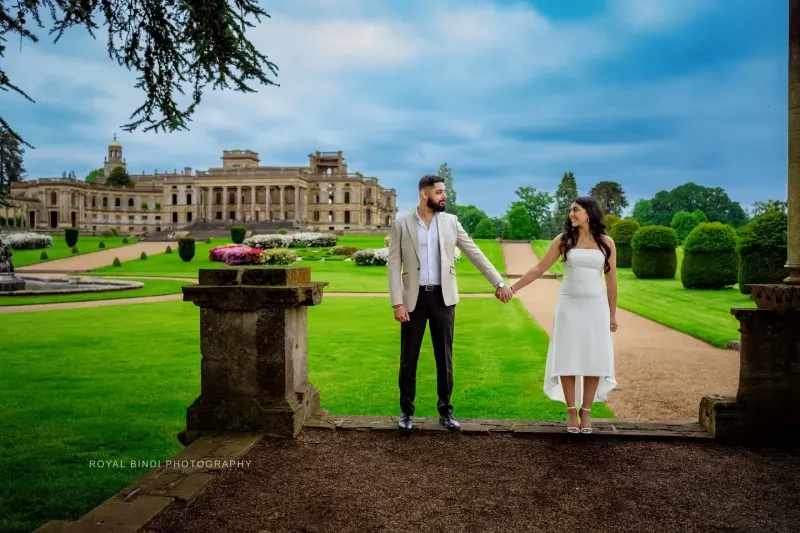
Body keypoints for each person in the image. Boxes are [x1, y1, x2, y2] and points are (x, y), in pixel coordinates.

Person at [387, 174, 514, 432]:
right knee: (408, 359)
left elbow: (474, 252)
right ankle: (406, 413)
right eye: (440, 192)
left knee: (444, 358)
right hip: (414, 299)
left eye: (444, 192)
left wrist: (498, 282)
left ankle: (446, 411)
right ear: (425, 194)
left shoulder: (451, 223)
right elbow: (393, 265)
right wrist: (397, 302)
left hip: (444, 299)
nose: (444, 196)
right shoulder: (401, 224)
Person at [509, 196, 618, 434]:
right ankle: (571, 410)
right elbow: (539, 268)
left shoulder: (606, 242)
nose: (571, 214)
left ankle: (586, 413)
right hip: (569, 305)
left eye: (576, 210)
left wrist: (612, 314)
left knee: (593, 358)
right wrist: (513, 287)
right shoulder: (564, 240)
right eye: (570, 210)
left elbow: (611, 279)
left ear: (589, 212)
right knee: (568, 356)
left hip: (596, 307)